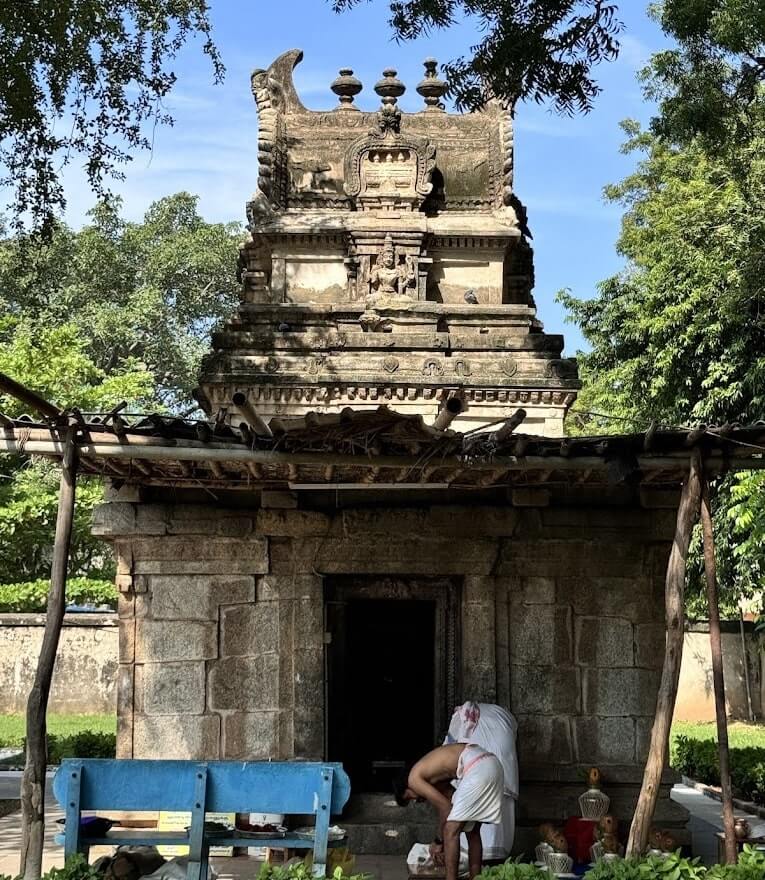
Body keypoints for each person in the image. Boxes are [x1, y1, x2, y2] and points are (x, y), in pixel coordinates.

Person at [394, 742, 503, 880]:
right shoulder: (434, 775)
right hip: (491, 764)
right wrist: (444, 844)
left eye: (409, 796)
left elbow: (446, 809)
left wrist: (439, 842)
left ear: (407, 785)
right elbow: (449, 804)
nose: (415, 800)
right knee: (472, 830)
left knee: (450, 831)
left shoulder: (413, 778)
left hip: (478, 768)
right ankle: (476, 877)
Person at [444, 702, 519, 860]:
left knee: (470, 816)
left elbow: (449, 749)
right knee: (500, 802)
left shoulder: (460, 717)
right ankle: (497, 852)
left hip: (477, 762)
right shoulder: (504, 717)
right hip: (501, 758)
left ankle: (468, 855)